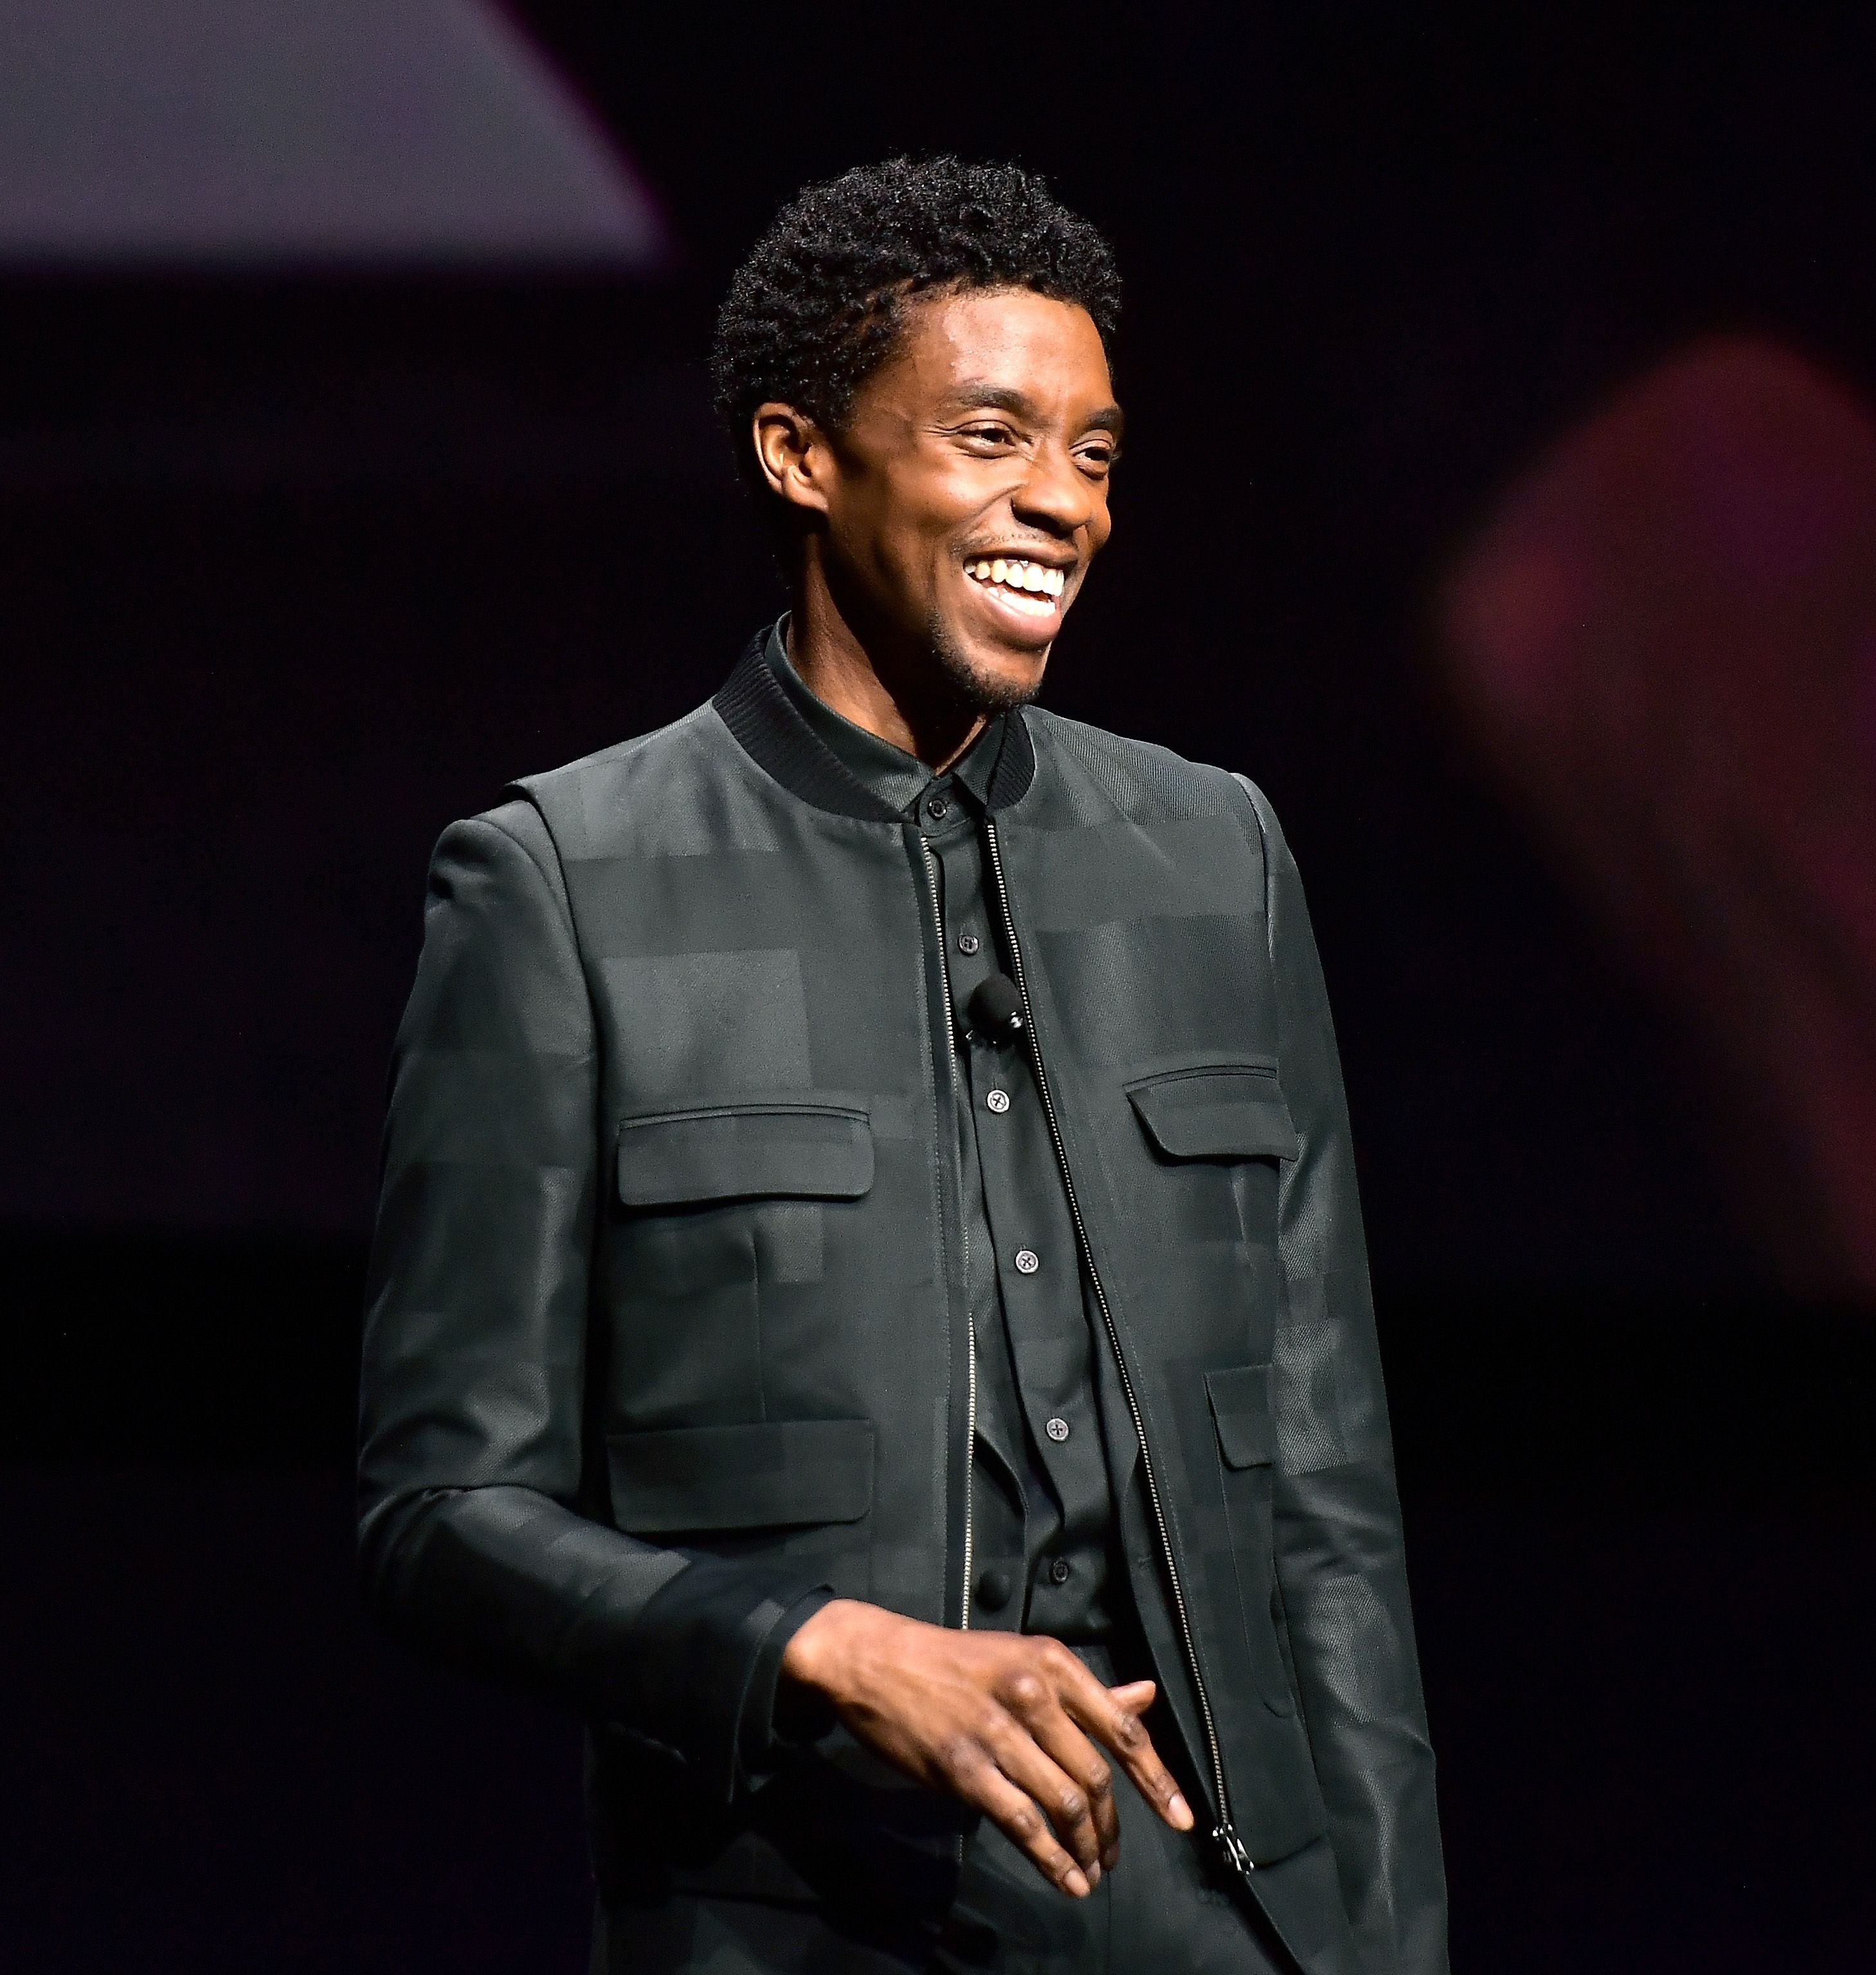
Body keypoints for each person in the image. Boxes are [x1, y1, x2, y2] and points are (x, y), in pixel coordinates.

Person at [357, 155, 1447, 1975]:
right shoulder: (565, 883)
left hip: (1230, 1917)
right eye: (992, 436)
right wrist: (821, 1648)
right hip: (806, 1915)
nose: (1059, 504)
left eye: (1093, 454)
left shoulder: (1212, 856)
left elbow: (1327, 1495)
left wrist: (1381, 1948)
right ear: (801, 455)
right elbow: (439, 1517)